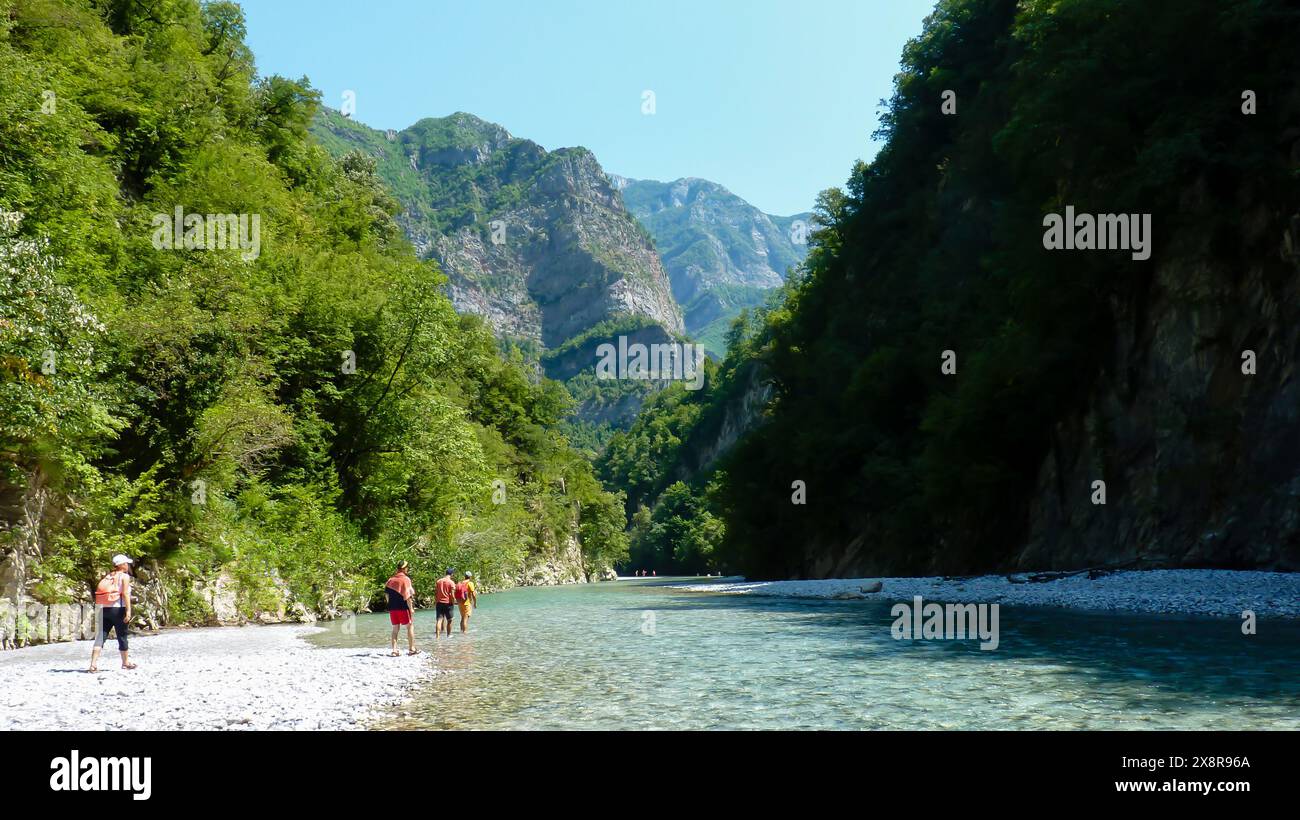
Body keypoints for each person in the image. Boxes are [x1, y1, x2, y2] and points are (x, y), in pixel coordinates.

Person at [89, 554, 136, 673]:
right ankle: (125, 663)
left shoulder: (108, 577)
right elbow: (125, 594)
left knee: (101, 637)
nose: (127, 565)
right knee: (122, 636)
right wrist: (128, 611)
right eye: (126, 563)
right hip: (118, 609)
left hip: (103, 609)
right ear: (122, 565)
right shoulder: (124, 577)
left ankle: (93, 664)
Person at [385, 561, 419, 656]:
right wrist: (411, 608)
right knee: (410, 626)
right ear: (404, 569)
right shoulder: (406, 579)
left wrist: (390, 604)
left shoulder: (391, 580)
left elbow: (386, 595)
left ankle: (394, 650)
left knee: (395, 628)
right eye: (407, 567)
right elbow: (407, 596)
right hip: (403, 608)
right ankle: (412, 649)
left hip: (392, 608)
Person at [434, 568, 456, 638]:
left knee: (439, 620)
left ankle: (437, 636)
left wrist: (436, 601)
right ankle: (448, 635)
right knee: (449, 620)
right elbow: (452, 595)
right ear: (452, 574)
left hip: (439, 603)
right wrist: (453, 602)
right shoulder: (451, 582)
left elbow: (436, 593)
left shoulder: (439, 581)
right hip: (448, 603)